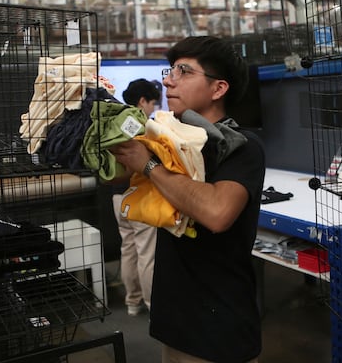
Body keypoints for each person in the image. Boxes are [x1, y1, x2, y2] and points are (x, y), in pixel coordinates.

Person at [110, 36, 265, 362]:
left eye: (184, 72)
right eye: (171, 70)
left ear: (218, 88)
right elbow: (113, 173)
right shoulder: (169, 140)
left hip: (217, 328)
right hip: (175, 322)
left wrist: (149, 165)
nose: (168, 80)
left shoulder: (243, 147)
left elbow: (217, 212)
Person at [112, 78, 162, 316]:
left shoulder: (115, 122)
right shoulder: (142, 125)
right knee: (147, 253)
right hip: (138, 196)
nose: (154, 109)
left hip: (116, 197)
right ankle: (153, 306)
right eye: (153, 103)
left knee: (128, 248)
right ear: (142, 101)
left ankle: (133, 303)